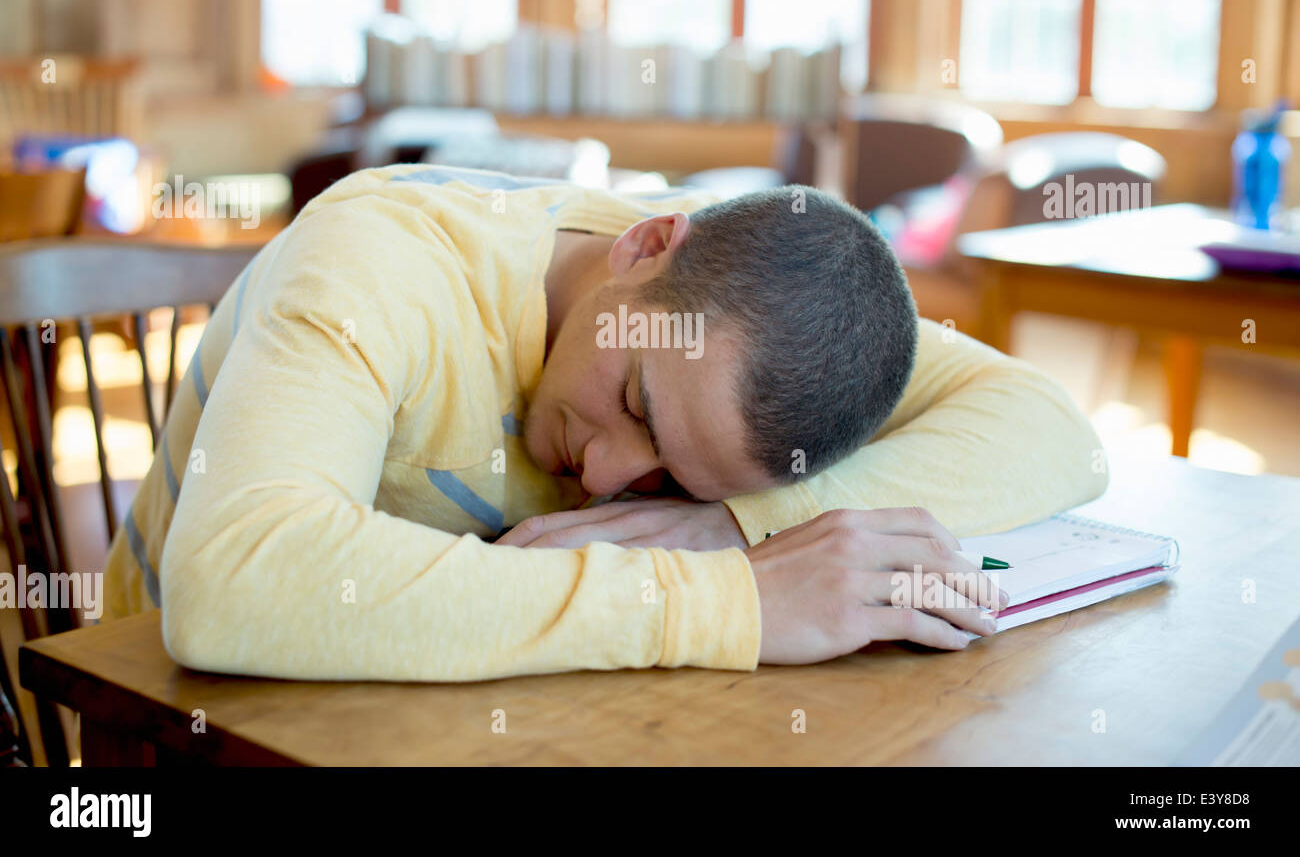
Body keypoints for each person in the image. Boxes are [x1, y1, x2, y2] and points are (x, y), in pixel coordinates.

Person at [103, 165, 1106, 680]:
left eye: (673, 477)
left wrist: (741, 528)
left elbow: (1058, 432)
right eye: (637, 404)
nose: (611, 478)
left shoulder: (760, 322)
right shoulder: (383, 261)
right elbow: (234, 579)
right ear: (645, 246)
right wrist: (728, 603)